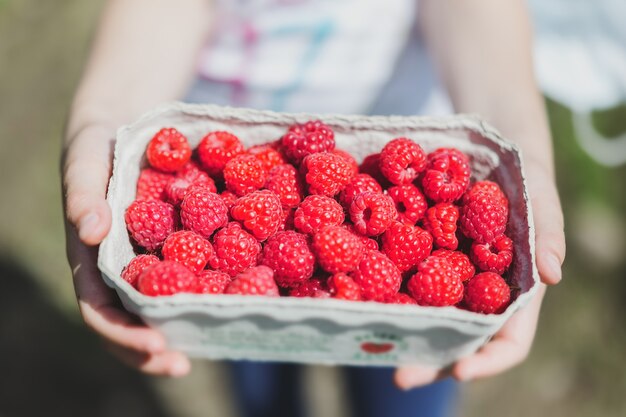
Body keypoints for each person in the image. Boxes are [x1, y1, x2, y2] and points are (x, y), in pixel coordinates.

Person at [62, 0, 565, 415]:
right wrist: (102, 117)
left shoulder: (394, 201)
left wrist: (523, 148)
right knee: (257, 370)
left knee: (406, 389)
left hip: (404, 124)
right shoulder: (241, 199)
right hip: (231, 129)